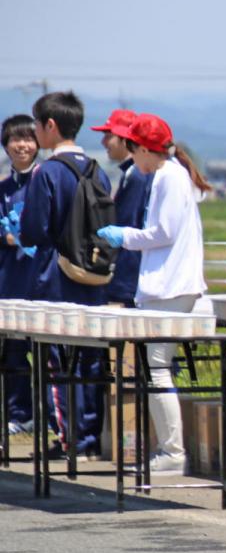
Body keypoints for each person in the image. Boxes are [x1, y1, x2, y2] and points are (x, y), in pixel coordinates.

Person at [96, 113, 209, 475]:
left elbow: (164, 232)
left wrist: (125, 237)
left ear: (143, 149)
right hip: (167, 286)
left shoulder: (168, 177)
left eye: (133, 150)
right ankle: (170, 450)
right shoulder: (168, 174)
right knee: (157, 369)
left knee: (158, 370)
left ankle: (172, 453)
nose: (132, 158)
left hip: (171, 287)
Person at [19, 91, 111, 460]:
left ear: (51, 125)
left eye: (37, 125)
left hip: (54, 278)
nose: (35, 132)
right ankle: (89, 438)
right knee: (90, 360)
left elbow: (33, 230)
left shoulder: (48, 173)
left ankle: (70, 439)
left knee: (56, 363)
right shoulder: (97, 170)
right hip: (93, 277)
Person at [0, 114, 39, 434]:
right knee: (13, 352)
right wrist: (7, 237)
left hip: (41, 278)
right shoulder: (4, 188)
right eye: (15, 139)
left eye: (28, 138)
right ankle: (20, 414)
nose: (22, 145)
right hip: (10, 279)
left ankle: (52, 415)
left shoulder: (45, 180)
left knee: (49, 353)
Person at [91, 109, 154, 308]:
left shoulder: (137, 176)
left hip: (131, 277)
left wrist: (122, 283)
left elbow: (130, 226)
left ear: (125, 138)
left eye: (108, 135)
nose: (103, 142)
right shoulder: (132, 173)